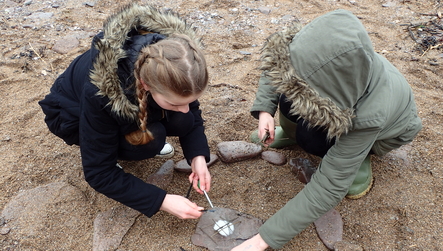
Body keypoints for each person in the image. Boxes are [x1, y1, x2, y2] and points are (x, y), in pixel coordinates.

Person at [232, 9, 422, 250]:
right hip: (342, 99)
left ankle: (360, 157)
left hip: (381, 132)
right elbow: (280, 65)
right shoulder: (318, 54)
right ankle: (291, 133)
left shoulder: (370, 115)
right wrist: (265, 111)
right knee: (290, 99)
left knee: (313, 139)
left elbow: (329, 186)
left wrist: (262, 240)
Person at [39, 3, 211, 220]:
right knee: (152, 140)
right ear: (145, 85)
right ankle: (122, 145)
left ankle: (147, 123)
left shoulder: (181, 65)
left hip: (136, 96)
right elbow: (99, 173)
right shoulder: (101, 93)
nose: (186, 109)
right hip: (70, 114)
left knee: (183, 120)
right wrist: (162, 200)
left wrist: (197, 157)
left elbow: (190, 111)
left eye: (190, 101)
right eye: (175, 103)